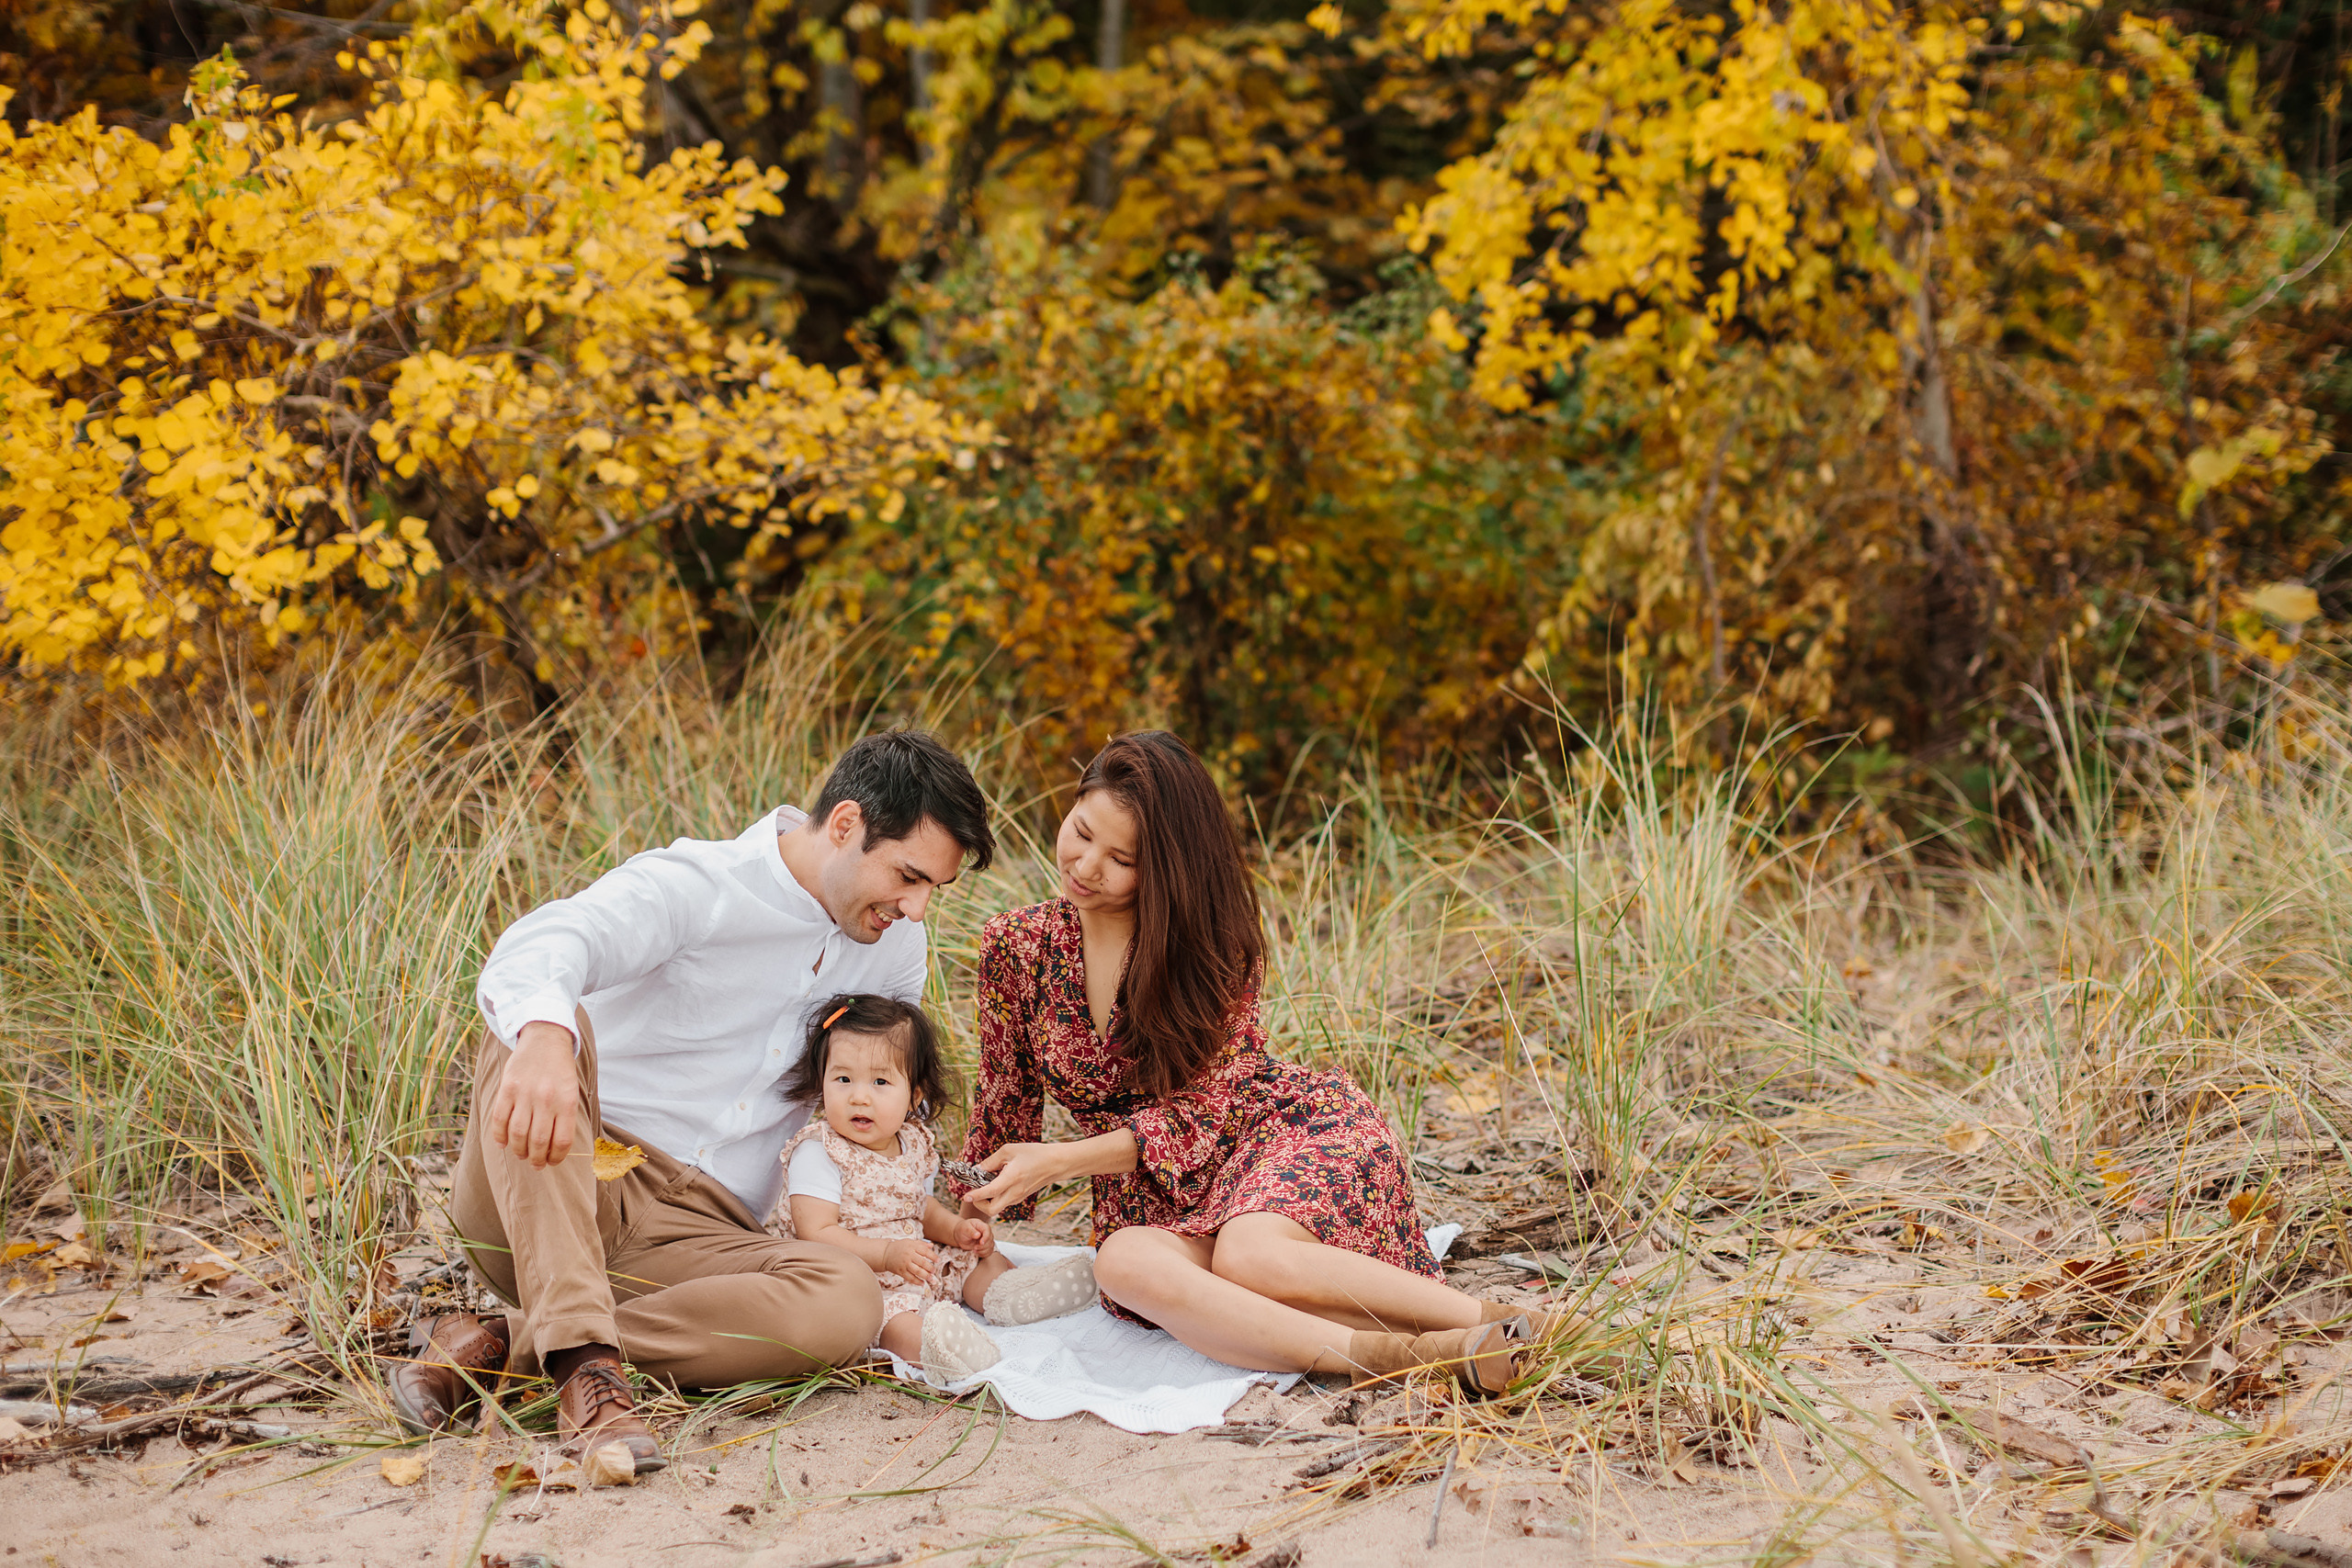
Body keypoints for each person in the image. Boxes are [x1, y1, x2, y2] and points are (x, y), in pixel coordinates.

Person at [386, 731, 995, 1473]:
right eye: (908, 876)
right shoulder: (700, 883)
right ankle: (585, 1372)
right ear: (845, 825)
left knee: (846, 1299)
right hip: (561, 1177)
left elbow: (884, 1106)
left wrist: (936, 1213)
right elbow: (551, 939)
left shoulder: (893, 947)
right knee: (544, 1018)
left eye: (934, 887)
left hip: (703, 1238)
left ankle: (501, 1343)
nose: (918, 907)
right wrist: (544, 1036)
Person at [954, 731, 1574, 1397]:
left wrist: (1062, 1159)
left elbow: (1204, 1114)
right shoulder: (1015, 944)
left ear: (1165, 869)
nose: (1085, 864)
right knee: (1122, 1263)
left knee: (1249, 1256)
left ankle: (1510, 1324)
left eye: (1122, 859)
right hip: (1156, 1198)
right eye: (1080, 831)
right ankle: (1408, 1354)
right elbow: (1003, 1101)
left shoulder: (1211, 947)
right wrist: (967, 1219)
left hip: (1279, 1134)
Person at [766, 994, 1099, 1380]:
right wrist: (887, 1254)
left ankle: (1009, 1294)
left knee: (971, 1261)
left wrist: (956, 1230)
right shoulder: (819, 1150)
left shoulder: (911, 1141)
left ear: (914, 1095)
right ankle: (939, 1347)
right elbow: (816, 1234)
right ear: (822, 1080)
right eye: (843, 1079)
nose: (859, 1096)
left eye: (880, 1081)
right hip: (857, 1278)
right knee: (890, 1320)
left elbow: (920, 1206)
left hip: (913, 1262)